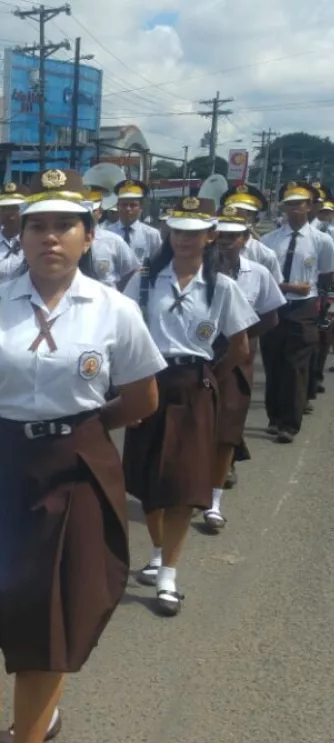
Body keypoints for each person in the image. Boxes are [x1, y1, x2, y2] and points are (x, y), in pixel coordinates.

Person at [0, 169, 164, 743]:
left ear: (89, 237)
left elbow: (142, 397)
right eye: (37, 225)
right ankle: (31, 709)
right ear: (23, 234)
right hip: (2, 461)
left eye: (65, 225)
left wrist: (86, 429)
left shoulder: (115, 310)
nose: (50, 237)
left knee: (56, 608)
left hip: (79, 467)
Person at [123, 195, 257, 617]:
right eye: (178, 230)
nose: (185, 238)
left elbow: (240, 346)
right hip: (149, 384)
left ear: (210, 236)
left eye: (194, 231)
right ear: (169, 233)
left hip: (193, 387)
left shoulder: (222, 286)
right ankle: (159, 551)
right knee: (148, 486)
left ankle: (168, 576)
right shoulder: (143, 279)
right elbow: (123, 337)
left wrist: (210, 379)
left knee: (182, 486)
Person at [202, 208, 283, 528]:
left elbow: (271, 316)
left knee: (227, 428)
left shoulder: (258, 273)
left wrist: (242, 338)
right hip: (202, 355)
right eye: (220, 235)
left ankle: (214, 500)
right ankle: (194, 487)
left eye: (232, 236)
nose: (225, 242)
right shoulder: (199, 272)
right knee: (198, 426)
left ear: (245, 239)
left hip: (237, 357)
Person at [259, 181, 334, 442]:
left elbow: (325, 275)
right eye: (289, 205)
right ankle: (274, 416)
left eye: (299, 204)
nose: (294, 210)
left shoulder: (322, 241)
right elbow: (264, 277)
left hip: (303, 308)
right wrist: (288, 286)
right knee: (274, 363)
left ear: (310, 206)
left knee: (296, 365)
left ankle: (289, 423)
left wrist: (318, 303)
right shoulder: (270, 240)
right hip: (275, 304)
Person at [102, 179, 163, 265]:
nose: (128, 209)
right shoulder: (107, 233)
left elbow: (158, 262)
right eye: (124, 205)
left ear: (141, 207)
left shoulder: (152, 234)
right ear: (117, 206)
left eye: (133, 205)